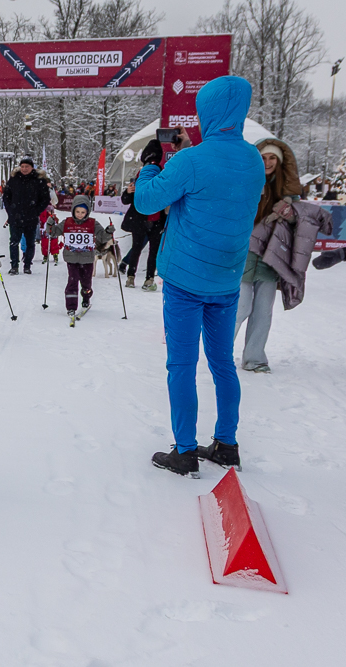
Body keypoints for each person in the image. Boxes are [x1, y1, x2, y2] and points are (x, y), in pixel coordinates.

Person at [134, 76, 266, 477]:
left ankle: (186, 451)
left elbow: (146, 201)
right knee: (223, 363)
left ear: (206, 112)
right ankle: (227, 444)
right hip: (226, 279)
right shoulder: (254, 159)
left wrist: (150, 167)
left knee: (182, 365)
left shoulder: (191, 160)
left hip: (186, 280)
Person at [235, 140, 332, 373]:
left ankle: (254, 359)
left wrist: (290, 217)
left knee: (263, 311)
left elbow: (299, 227)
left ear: (279, 162)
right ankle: (220, 353)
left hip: (271, 259)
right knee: (240, 306)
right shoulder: (245, 181)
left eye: (272, 158)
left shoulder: (288, 193)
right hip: (245, 254)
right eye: (263, 157)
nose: (267, 162)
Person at [45, 195, 114, 318]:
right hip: (71, 257)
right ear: (73, 210)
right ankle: (71, 306)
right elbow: (53, 233)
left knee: (86, 282)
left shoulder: (93, 223)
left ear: (87, 211)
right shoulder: (67, 222)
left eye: (83, 212)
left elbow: (102, 237)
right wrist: (50, 225)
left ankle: (86, 297)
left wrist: (108, 232)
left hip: (87, 259)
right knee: (72, 280)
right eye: (77, 212)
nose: (80, 214)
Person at [118, 165, 164, 290]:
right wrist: (127, 192)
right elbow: (125, 200)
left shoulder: (154, 184)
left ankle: (142, 278)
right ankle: (138, 277)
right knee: (140, 249)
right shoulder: (143, 184)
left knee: (146, 251)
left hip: (153, 223)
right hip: (144, 222)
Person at [2, 157, 50, 275]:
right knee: (14, 242)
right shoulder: (14, 179)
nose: (24, 169)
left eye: (26, 167)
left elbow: (45, 199)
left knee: (30, 243)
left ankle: (27, 265)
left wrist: (36, 211)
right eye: (22, 166)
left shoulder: (39, 180)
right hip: (15, 216)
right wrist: (10, 210)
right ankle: (14, 266)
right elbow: (6, 196)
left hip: (31, 217)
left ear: (31, 167)